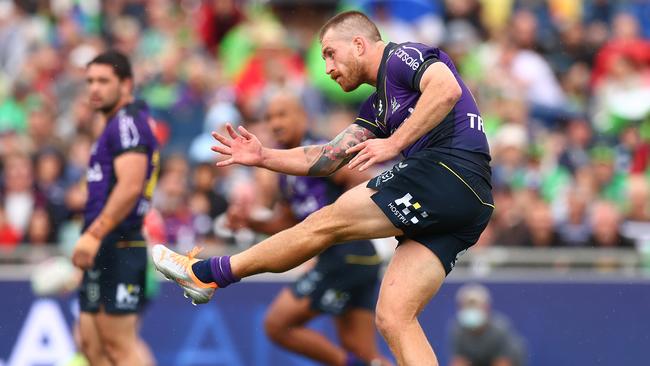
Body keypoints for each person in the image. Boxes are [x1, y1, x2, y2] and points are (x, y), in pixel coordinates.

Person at [153, 10, 493, 365]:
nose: (327, 67)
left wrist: (394, 144)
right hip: (470, 202)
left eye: (331, 53)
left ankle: (208, 274)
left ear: (360, 44)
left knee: (325, 221)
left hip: (448, 172)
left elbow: (446, 88)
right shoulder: (377, 106)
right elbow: (328, 157)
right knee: (393, 317)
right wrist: (262, 155)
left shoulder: (400, 57)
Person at [226, 91, 390, 366]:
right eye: (268, 118)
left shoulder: (322, 153)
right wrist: (250, 221)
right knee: (364, 351)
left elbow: (365, 181)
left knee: (277, 325)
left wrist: (362, 221)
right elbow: (288, 224)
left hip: (345, 256)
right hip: (358, 260)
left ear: (304, 117)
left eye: (282, 114)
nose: (275, 123)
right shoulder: (287, 170)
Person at [71, 50, 159, 365]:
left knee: (120, 346)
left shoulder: (126, 122)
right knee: (91, 345)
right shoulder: (115, 124)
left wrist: (94, 233)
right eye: (90, 81)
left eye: (103, 81)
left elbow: (131, 185)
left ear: (126, 84)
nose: (94, 88)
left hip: (119, 242)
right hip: (105, 244)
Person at [450, 284, 526, 366]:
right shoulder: (457, 330)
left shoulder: (499, 329)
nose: (472, 310)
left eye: (475, 306)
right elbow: (459, 361)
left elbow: (503, 362)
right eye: (468, 306)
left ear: (486, 307)